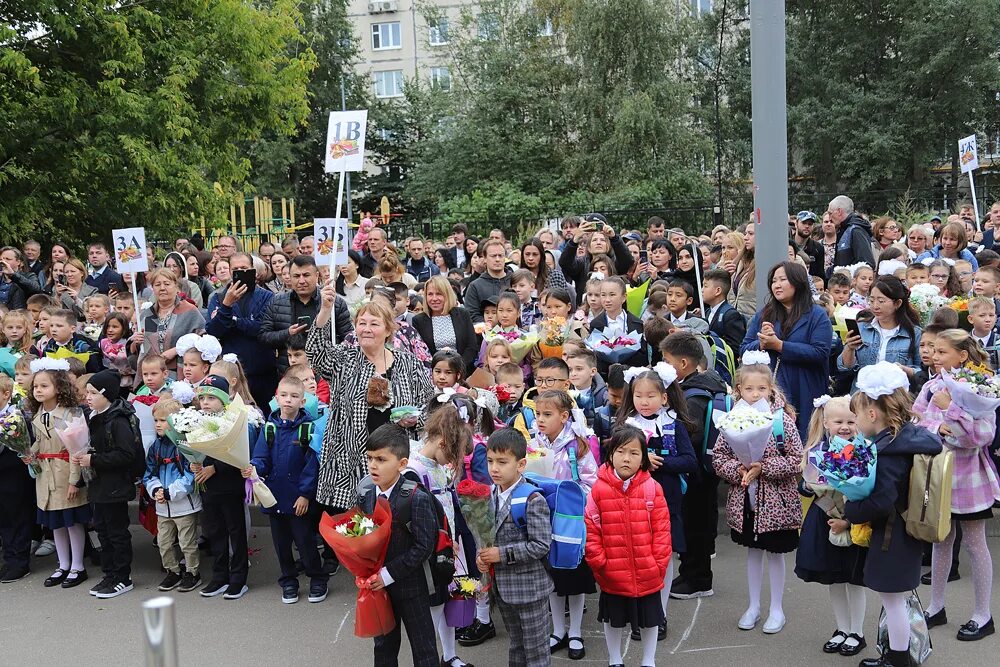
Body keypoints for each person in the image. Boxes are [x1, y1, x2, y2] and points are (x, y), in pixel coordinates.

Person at [844, 362, 942, 667]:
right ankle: (895, 652)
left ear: (872, 414)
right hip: (903, 533)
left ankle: (898, 659)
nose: (856, 421)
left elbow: (883, 500)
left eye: (857, 415)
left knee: (893, 600)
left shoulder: (889, 452)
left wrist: (851, 509)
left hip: (892, 536)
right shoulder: (908, 437)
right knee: (897, 599)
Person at [307, 292, 434, 512]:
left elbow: (430, 407)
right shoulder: (344, 358)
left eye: (374, 324)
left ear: (388, 330)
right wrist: (325, 311)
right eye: (361, 323)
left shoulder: (408, 363)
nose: (366, 329)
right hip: (348, 460)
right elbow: (314, 353)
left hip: (396, 459)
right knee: (353, 528)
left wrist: (415, 420)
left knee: (394, 522)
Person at [913, 330, 999, 641]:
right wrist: (941, 426)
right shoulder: (931, 386)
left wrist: (952, 408)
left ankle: (982, 614)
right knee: (940, 541)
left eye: (941, 351)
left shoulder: (982, 385)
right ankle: (936, 607)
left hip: (969, 479)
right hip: (937, 476)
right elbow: (918, 423)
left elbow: (982, 436)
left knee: (976, 545)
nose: (934, 356)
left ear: (962, 355)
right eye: (932, 350)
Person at [713, 352, 803, 635]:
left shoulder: (781, 420)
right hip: (746, 499)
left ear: (771, 388)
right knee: (753, 551)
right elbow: (719, 457)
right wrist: (737, 470)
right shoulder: (731, 419)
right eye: (749, 388)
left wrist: (763, 467)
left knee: (775, 553)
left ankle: (777, 607)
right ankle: (753, 605)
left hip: (777, 502)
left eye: (761, 388)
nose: (755, 394)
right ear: (738, 389)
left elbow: (796, 459)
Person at [617, 363, 697, 636]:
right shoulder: (627, 426)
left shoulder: (673, 424)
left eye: (651, 396)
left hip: (667, 502)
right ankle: (639, 614)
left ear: (664, 397)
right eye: (639, 395)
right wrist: (639, 461)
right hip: (633, 502)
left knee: (662, 558)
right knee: (637, 559)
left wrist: (659, 463)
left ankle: (659, 615)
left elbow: (690, 461)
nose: (644, 401)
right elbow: (614, 463)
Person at [586, 425, 671, 667]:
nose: (627, 458)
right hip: (612, 570)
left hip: (647, 570)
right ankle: (615, 659)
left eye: (634, 453)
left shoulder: (652, 488)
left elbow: (663, 531)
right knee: (613, 618)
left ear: (644, 458)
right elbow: (591, 529)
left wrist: (658, 564)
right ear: (611, 454)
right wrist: (599, 562)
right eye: (621, 451)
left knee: (650, 619)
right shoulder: (598, 490)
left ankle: (648, 660)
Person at [356, 423, 440, 666]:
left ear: (402, 464)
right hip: (378, 589)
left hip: (412, 588)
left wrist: (388, 574)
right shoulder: (367, 494)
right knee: (383, 647)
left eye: (381, 459)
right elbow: (361, 537)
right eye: (370, 458)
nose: (373, 465)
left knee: (423, 647)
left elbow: (424, 546)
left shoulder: (416, 497)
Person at [795, 396, 869, 657]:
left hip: (854, 519)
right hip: (823, 518)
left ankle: (857, 632)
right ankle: (842, 628)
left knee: (854, 580)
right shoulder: (815, 450)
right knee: (834, 579)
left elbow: (866, 488)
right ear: (826, 423)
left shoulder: (865, 450)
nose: (845, 427)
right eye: (838, 421)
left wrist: (847, 519)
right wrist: (806, 485)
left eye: (851, 421)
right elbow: (805, 487)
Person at [246, 374, 328, 605]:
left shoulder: (309, 429)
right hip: (274, 497)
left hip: (298, 498)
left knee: (305, 542)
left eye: (294, 396)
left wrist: (305, 494)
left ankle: (317, 578)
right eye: (284, 395)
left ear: (303, 402)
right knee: (281, 545)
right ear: (276, 398)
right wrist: (254, 468)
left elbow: (313, 465)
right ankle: (288, 581)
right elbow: (261, 457)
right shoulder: (269, 427)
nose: (288, 400)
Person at [408, 402, 478, 667]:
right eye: (453, 453)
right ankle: (432, 657)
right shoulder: (415, 470)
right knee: (435, 605)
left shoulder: (439, 467)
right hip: (431, 550)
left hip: (449, 545)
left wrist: (456, 540)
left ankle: (450, 655)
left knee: (451, 599)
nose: (453, 461)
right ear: (440, 442)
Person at [530, 390, 598, 659]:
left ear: (564, 416)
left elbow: (591, 484)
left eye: (547, 414)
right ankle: (558, 630)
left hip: (570, 522)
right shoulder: (535, 444)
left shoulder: (578, 446)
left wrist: (567, 493)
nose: (540, 420)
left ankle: (576, 631)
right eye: (537, 414)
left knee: (574, 576)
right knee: (553, 577)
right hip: (544, 520)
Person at [660, 331, 728, 600]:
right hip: (706, 470)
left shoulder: (692, 395)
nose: (663, 365)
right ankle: (692, 574)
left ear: (683, 364)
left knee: (694, 526)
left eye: (667, 360)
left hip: (696, 473)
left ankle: (697, 580)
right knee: (699, 524)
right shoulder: (711, 383)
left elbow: (692, 432)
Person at [477, 428, 553, 667]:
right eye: (490, 461)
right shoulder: (489, 494)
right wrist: (482, 558)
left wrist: (501, 554)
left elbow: (541, 545)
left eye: (502, 462)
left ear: (521, 464)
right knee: (516, 645)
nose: (494, 468)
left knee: (536, 651)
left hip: (530, 590)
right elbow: (487, 536)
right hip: (503, 590)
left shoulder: (532, 499)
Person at [741, 262, 833, 436]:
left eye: (783, 279)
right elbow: (744, 349)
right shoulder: (764, 314)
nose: (777, 285)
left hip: (806, 386)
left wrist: (780, 345)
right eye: (774, 281)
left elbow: (820, 352)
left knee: (805, 437)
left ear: (798, 282)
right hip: (772, 388)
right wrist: (761, 343)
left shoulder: (817, 315)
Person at [26, 360, 92, 589]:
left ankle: (77, 566)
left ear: (58, 387)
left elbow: (78, 448)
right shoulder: (38, 414)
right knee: (56, 525)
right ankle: (62, 565)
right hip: (46, 475)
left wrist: (75, 481)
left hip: (65, 473)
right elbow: (39, 443)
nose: (38, 390)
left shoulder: (71, 414)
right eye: (36, 387)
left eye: (44, 386)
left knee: (72, 522)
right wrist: (28, 453)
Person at [75, 369, 137, 598]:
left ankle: (123, 577)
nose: (87, 397)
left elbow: (126, 454)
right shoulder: (95, 416)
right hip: (99, 484)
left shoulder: (118, 420)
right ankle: (109, 574)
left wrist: (94, 459)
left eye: (92, 393)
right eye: (87, 392)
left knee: (116, 532)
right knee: (102, 529)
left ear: (106, 395)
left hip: (115, 485)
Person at [190, 375, 251, 600]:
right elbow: (195, 447)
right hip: (208, 488)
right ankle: (219, 576)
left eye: (211, 398)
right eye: (202, 397)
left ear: (224, 401)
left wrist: (214, 468)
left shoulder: (231, 420)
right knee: (214, 532)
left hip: (229, 486)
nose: (205, 402)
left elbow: (237, 452)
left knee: (235, 532)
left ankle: (238, 579)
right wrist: (195, 462)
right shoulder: (195, 419)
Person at [143, 398, 202, 593]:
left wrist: (169, 493)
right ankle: (173, 571)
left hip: (183, 505)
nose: (158, 424)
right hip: (162, 506)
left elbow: (190, 476)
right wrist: (156, 490)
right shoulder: (155, 446)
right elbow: (149, 474)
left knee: (187, 543)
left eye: (162, 420)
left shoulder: (184, 445)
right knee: (164, 542)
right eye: (156, 420)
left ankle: (192, 572)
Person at [259, 255, 352, 375]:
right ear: (289, 278)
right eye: (296, 276)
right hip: (289, 373)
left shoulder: (334, 303)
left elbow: (349, 339)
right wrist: (287, 333)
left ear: (317, 275)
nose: (301, 281)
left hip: (326, 373)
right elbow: (264, 337)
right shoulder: (277, 302)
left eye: (306, 275)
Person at [206, 252, 276, 408]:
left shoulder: (267, 297)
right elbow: (213, 331)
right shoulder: (218, 297)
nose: (241, 272)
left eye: (244, 268)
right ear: (230, 271)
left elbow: (262, 328)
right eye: (236, 269)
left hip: (262, 371)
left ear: (253, 270)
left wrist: (233, 321)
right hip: (232, 372)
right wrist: (226, 305)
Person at [838, 276, 921, 390]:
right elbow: (845, 368)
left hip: (896, 398)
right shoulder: (862, 328)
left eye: (881, 301)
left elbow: (922, 372)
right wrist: (849, 348)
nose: (875, 306)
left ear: (897, 303)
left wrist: (903, 370)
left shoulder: (914, 333)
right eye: (871, 300)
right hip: (863, 396)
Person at [133, 268, 206, 378]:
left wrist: (176, 350)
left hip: (180, 373)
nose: (162, 288)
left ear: (176, 287)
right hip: (152, 376)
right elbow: (139, 349)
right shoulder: (146, 315)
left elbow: (202, 339)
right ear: (152, 288)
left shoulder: (189, 311)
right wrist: (136, 342)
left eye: (167, 284)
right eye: (157, 285)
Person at [412, 275, 478, 374]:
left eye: (439, 294)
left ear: (447, 295)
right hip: (433, 374)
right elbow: (420, 353)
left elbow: (471, 347)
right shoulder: (418, 320)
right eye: (430, 294)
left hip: (463, 372)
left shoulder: (463, 314)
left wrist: (457, 368)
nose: (434, 298)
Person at [559, 214, 634, 302]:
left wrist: (614, 238)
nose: (598, 242)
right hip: (585, 312)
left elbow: (628, 261)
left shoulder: (615, 263)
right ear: (589, 246)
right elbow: (564, 263)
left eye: (602, 240)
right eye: (594, 240)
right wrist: (575, 239)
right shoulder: (581, 264)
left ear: (608, 245)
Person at [464, 240, 513, 324]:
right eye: (493, 256)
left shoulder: (515, 281)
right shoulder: (475, 286)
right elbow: (472, 314)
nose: (497, 259)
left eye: (501, 256)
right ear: (485, 258)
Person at [701, 269, 747, 353]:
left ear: (718, 291)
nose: (702, 290)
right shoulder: (707, 312)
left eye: (705, 286)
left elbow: (735, 347)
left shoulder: (731, 315)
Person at [828, 195, 875, 272]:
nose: (829, 218)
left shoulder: (856, 230)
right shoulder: (845, 229)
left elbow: (866, 264)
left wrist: (844, 273)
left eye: (830, 213)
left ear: (839, 211)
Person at [726, 223, 757, 319]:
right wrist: (726, 275)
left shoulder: (766, 262)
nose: (745, 238)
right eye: (745, 233)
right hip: (736, 320)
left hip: (753, 320)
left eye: (751, 234)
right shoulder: (740, 261)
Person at [0, 247, 43, 311]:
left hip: (18, 317)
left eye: (8, 259)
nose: (3, 262)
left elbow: (35, 289)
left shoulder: (29, 276)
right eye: (1, 259)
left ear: (18, 262)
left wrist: (13, 275)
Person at [791, 211, 825, 278]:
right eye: (803, 223)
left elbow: (820, 275)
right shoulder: (787, 244)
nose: (807, 226)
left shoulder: (818, 248)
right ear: (796, 224)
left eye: (810, 224)